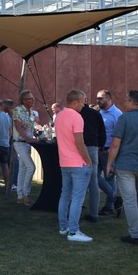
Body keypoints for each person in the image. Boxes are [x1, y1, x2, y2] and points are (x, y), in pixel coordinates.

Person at [106, 90, 138, 245]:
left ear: (133, 102)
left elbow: (115, 145)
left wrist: (109, 164)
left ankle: (135, 235)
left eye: (127, 100)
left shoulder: (124, 118)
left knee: (129, 199)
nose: (124, 102)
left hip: (125, 165)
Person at [55, 90, 93, 242]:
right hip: (78, 163)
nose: (84, 105)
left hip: (64, 162)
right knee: (77, 198)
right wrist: (88, 160)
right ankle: (73, 231)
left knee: (65, 195)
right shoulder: (76, 117)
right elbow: (79, 142)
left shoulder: (59, 115)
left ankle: (63, 227)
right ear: (75, 101)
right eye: (83, 101)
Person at [95, 90, 123, 216]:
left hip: (108, 152)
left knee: (109, 178)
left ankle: (109, 206)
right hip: (98, 150)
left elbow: (120, 135)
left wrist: (112, 151)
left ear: (109, 99)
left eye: (100, 98)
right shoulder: (100, 112)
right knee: (93, 177)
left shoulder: (117, 114)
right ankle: (115, 199)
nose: (98, 101)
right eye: (97, 98)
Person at [80, 101, 106, 223]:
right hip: (93, 148)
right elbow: (102, 132)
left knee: (76, 180)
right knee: (93, 181)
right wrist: (100, 146)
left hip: (79, 148)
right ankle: (94, 213)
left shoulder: (75, 113)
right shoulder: (95, 113)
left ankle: (74, 210)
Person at [12, 90, 38, 205]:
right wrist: (27, 138)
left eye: (32, 98)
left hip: (27, 143)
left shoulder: (32, 112)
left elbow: (31, 128)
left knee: (23, 169)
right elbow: (18, 127)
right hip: (20, 142)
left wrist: (34, 136)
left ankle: (19, 196)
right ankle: (26, 194)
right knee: (31, 167)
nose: (32, 100)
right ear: (23, 100)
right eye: (29, 99)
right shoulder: (17, 110)